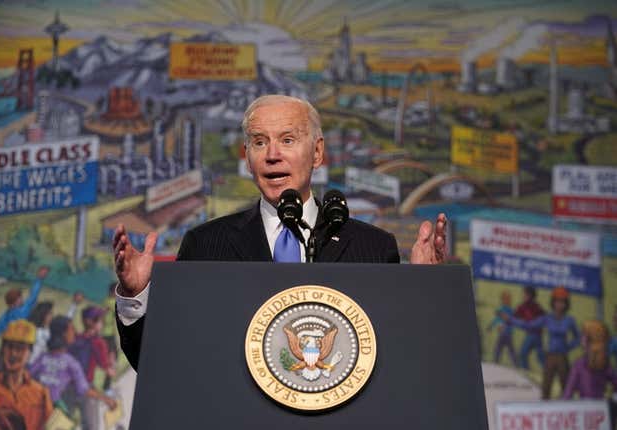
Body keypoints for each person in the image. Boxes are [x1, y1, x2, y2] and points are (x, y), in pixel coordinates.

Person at [112, 94, 448, 370]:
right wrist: (135, 297)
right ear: (247, 157)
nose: (273, 155)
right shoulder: (207, 244)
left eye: (287, 140)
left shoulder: (373, 247)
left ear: (317, 152)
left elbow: (401, 363)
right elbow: (166, 364)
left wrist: (425, 293)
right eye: (260, 142)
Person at [29, 316, 117, 422]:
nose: (74, 332)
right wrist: (107, 400)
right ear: (63, 334)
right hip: (54, 414)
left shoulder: (42, 358)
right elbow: (84, 389)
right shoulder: (70, 363)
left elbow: (28, 376)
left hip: (37, 410)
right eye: (71, 329)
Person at [503, 286, 580, 399]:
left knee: (566, 387)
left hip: (563, 357)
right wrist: (510, 320)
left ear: (566, 304)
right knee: (546, 387)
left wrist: (568, 347)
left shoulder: (569, 320)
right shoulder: (547, 318)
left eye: (562, 302)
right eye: (557, 302)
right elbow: (528, 324)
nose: (559, 305)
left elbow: (577, 337)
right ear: (553, 303)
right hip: (550, 356)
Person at [0, 319, 53, 430]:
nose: (13, 353)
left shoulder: (41, 393)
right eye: (10, 347)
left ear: (29, 353)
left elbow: (54, 425)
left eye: (20, 349)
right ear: (3, 349)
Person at [0, 267, 49, 348]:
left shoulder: (6, 315)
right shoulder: (22, 309)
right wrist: (39, 279)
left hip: (12, 343)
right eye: (19, 298)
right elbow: (33, 295)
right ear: (13, 303)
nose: (21, 299)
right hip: (21, 342)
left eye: (20, 297)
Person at [563, 320, 617, 399]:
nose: (581, 340)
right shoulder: (604, 364)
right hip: (598, 407)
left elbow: (568, 392)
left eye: (584, 336)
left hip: (590, 408)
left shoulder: (579, 364)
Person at [68, 306, 115, 385]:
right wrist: (112, 362)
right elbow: (108, 369)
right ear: (89, 321)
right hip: (85, 383)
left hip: (69, 382)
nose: (102, 323)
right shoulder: (99, 342)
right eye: (100, 320)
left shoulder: (76, 337)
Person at [514, 286, 545, 369]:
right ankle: (526, 370)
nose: (524, 296)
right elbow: (515, 315)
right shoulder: (522, 306)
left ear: (531, 296)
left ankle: (527, 370)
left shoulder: (536, 307)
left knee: (528, 353)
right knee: (525, 353)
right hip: (531, 334)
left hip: (536, 334)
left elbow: (544, 317)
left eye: (526, 294)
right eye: (524, 294)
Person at [487, 291, 517, 366]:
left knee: (509, 349)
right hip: (503, 333)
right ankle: (496, 362)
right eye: (505, 299)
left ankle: (515, 363)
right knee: (499, 348)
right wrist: (491, 325)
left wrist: (501, 316)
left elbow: (510, 319)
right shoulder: (502, 309)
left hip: (507, 333)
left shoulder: (509, 310)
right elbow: (497, 319)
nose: (507, 300)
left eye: (508, 299)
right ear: (502, 299)